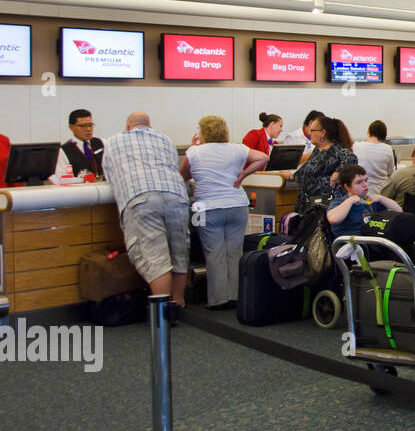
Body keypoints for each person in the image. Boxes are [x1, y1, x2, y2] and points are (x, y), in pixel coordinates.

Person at [102, 113, 191, 324]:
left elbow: (109, 175)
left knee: (156, 259)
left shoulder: (114, 141)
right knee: (179, 253)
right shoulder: (166, 140)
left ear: (127, 126)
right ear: (150, 126)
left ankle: (161, 316)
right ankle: (177, 305)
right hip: (176, 196)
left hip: (141, 198)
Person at [181, 115, 268, 310]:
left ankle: (217, 299)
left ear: (203, 132)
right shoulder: (237, 148)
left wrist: (193, 147)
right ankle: (235, 295)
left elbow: (183, 176)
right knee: (235, 252)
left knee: (214, 253)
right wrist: (243, 174)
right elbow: (264, 157)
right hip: (237, 205)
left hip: (206, 207)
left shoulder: (194, 151)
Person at [281, 115, 355, 213]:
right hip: (307, 207)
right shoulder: (317, 151)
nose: (309, 133)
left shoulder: (337, 151)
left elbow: (351, 158)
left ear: (322, 133)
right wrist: (291, 176)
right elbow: (306, 173)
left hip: (326, 209)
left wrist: (338, 173)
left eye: (312, 130)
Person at [327, 164, 403, 235]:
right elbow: (333, 219)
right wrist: (350, 200)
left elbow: (399, 212)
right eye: (359, 182)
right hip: (351, 243)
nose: (365, 185)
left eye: (366, 180)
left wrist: (381, 198)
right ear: (347, 186)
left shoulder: (371, 201)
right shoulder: (339, 202)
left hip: (373, 240)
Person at [51, 108, 104, 180]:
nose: (88, 129)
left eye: (90, 125)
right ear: (71, 127)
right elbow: (61, 178)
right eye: (83, 126)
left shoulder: (102, 142)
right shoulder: (63, 151)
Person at [352, 120, 398, 192]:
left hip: (360, 190)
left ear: (368, 132)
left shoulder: (356, 146)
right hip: (381, 191)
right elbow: (390, 172)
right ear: (384, 135)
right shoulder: (388, 149)